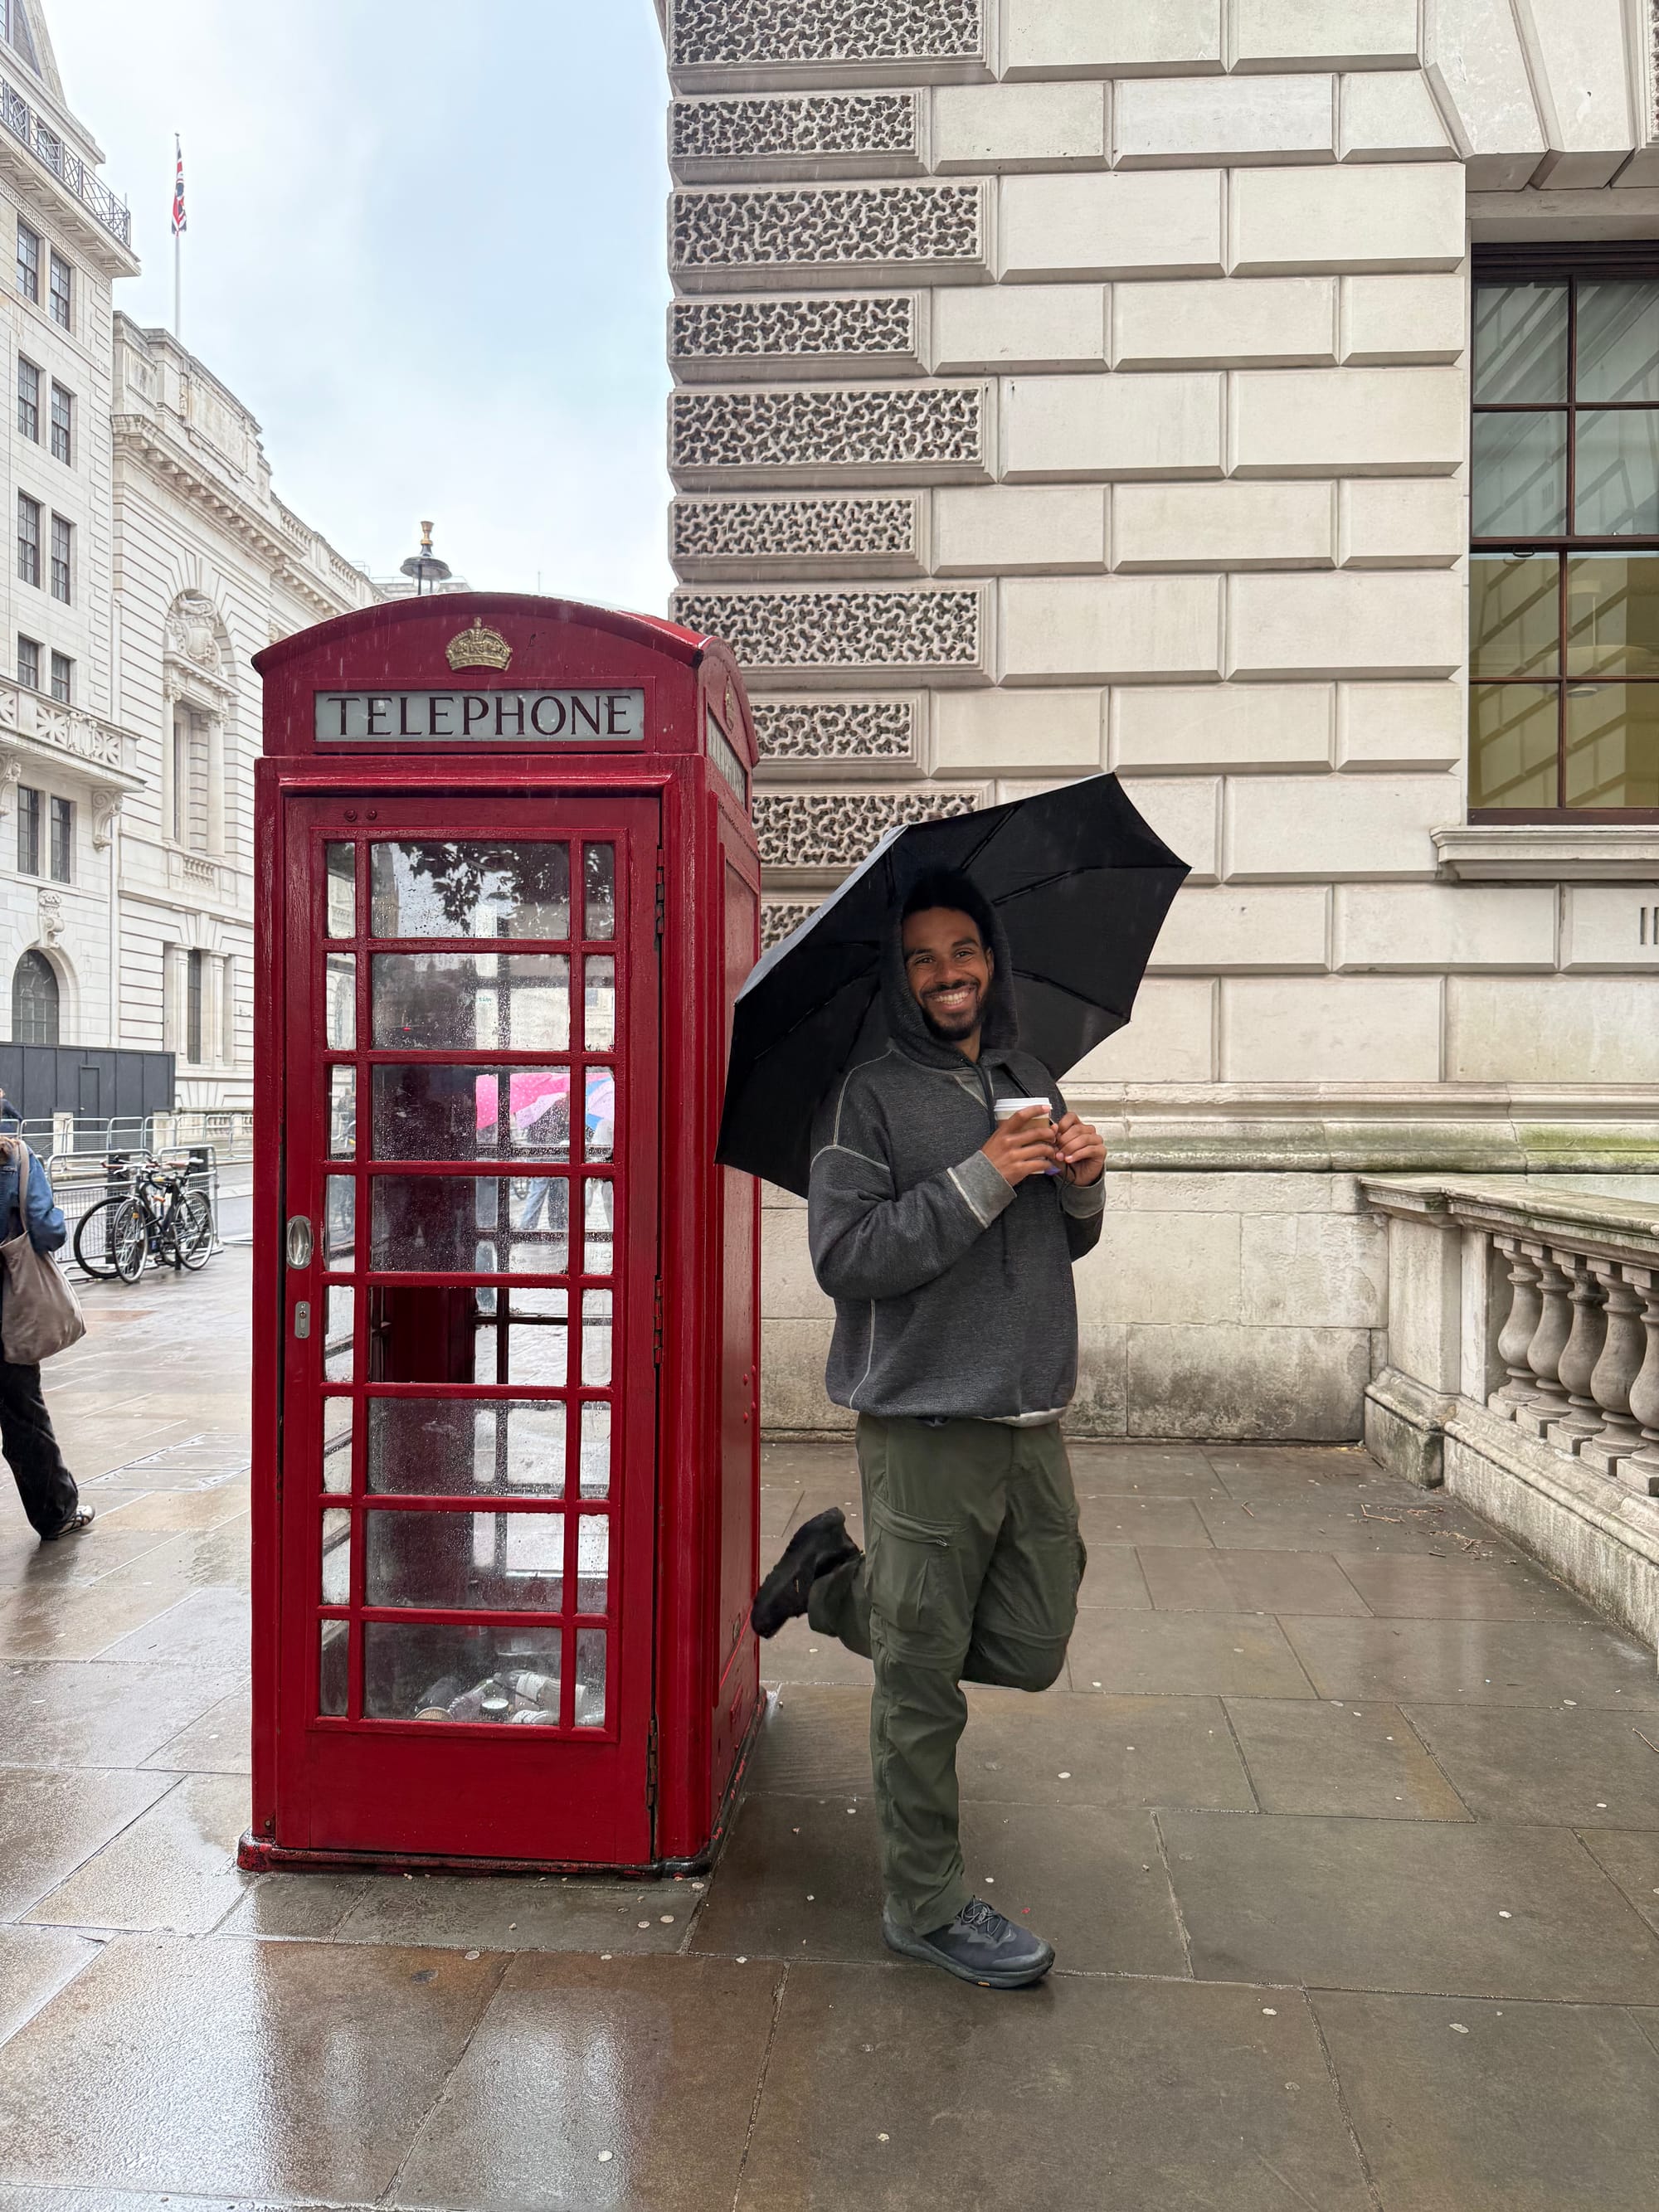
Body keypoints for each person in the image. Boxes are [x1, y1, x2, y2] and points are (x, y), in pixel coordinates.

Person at [749, 868, 1106, 1989]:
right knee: (922, 1682)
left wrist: (1084, 1180)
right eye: (924, 958)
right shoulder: (866, 1099)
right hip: (923, 1423)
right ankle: (926, 1900)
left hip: (1030, 1413)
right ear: (901, 981)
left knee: (1036, 1643)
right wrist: (981, 1176)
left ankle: (836, 1584)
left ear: (990, 958)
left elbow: (1064, 1242)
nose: (951, 973)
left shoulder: (1025, 1075)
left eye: (966, 950)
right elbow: (847, 1253)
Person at [0, 1134, 92, 1541]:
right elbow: (46, 1229)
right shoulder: (15, 1157)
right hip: (8, 1305)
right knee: (22, 1415)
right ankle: (56, 1513)